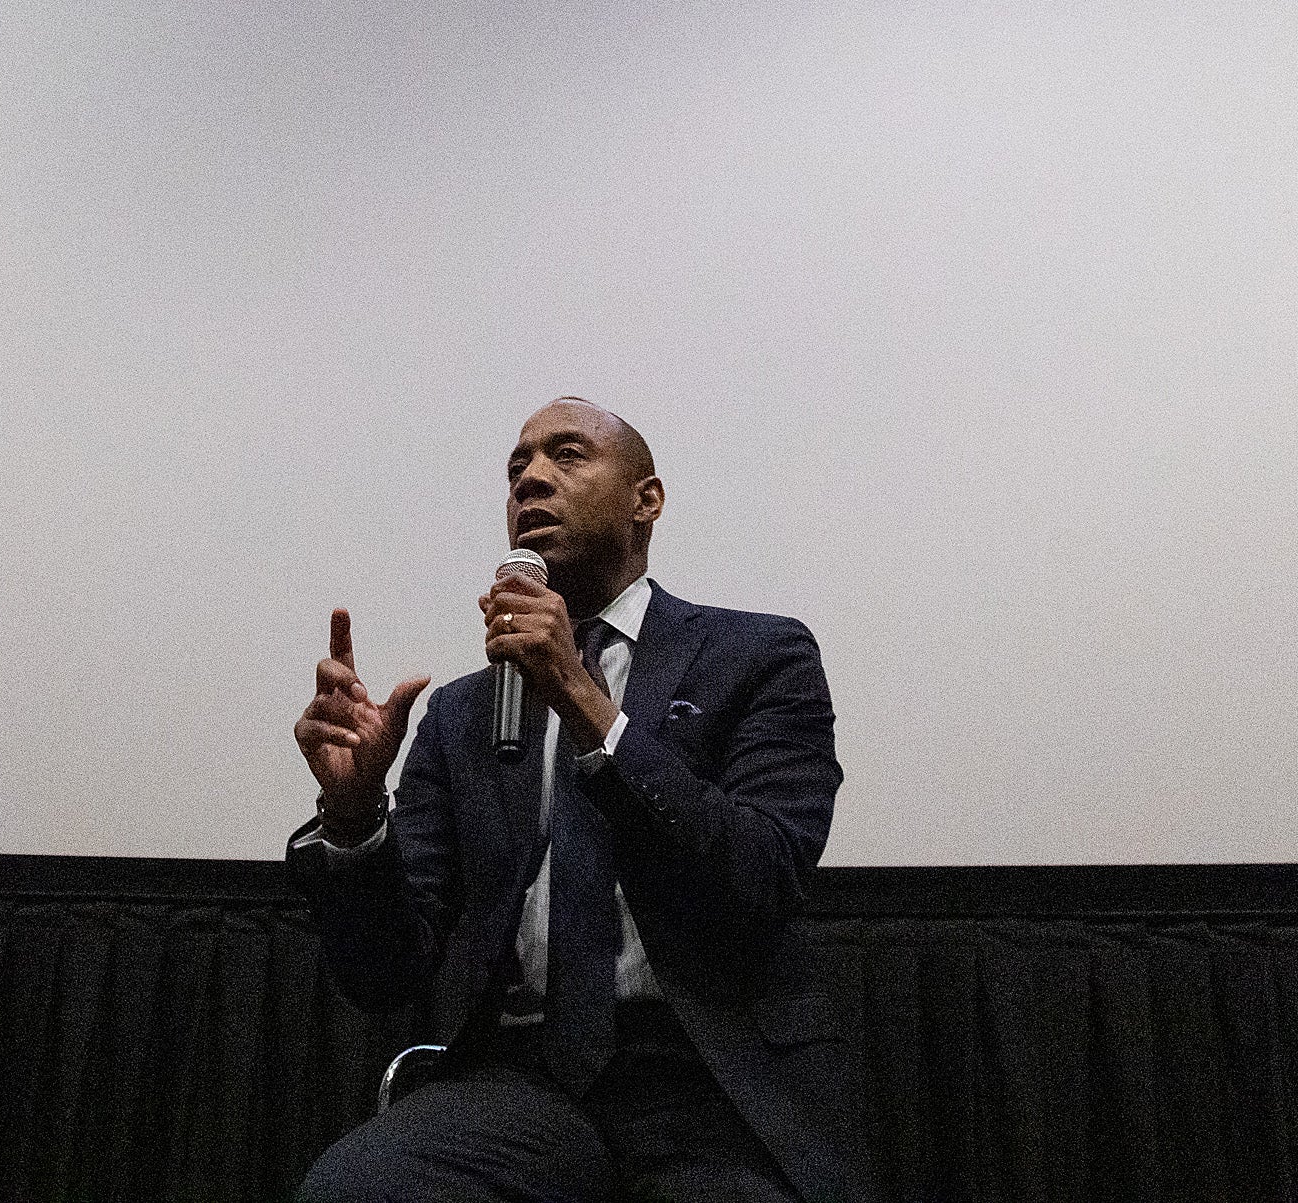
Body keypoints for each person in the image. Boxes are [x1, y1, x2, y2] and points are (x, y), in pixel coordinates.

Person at [290, 398, 869, 1203]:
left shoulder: (761, 656)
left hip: (707, 1084)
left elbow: (761, 875)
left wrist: (581, 697)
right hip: (518, 1081)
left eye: (566, 454)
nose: (530, 476)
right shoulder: (462, 712)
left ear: (647, 499)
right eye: (516, 467)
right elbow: (387, 975)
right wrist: (354, 818)